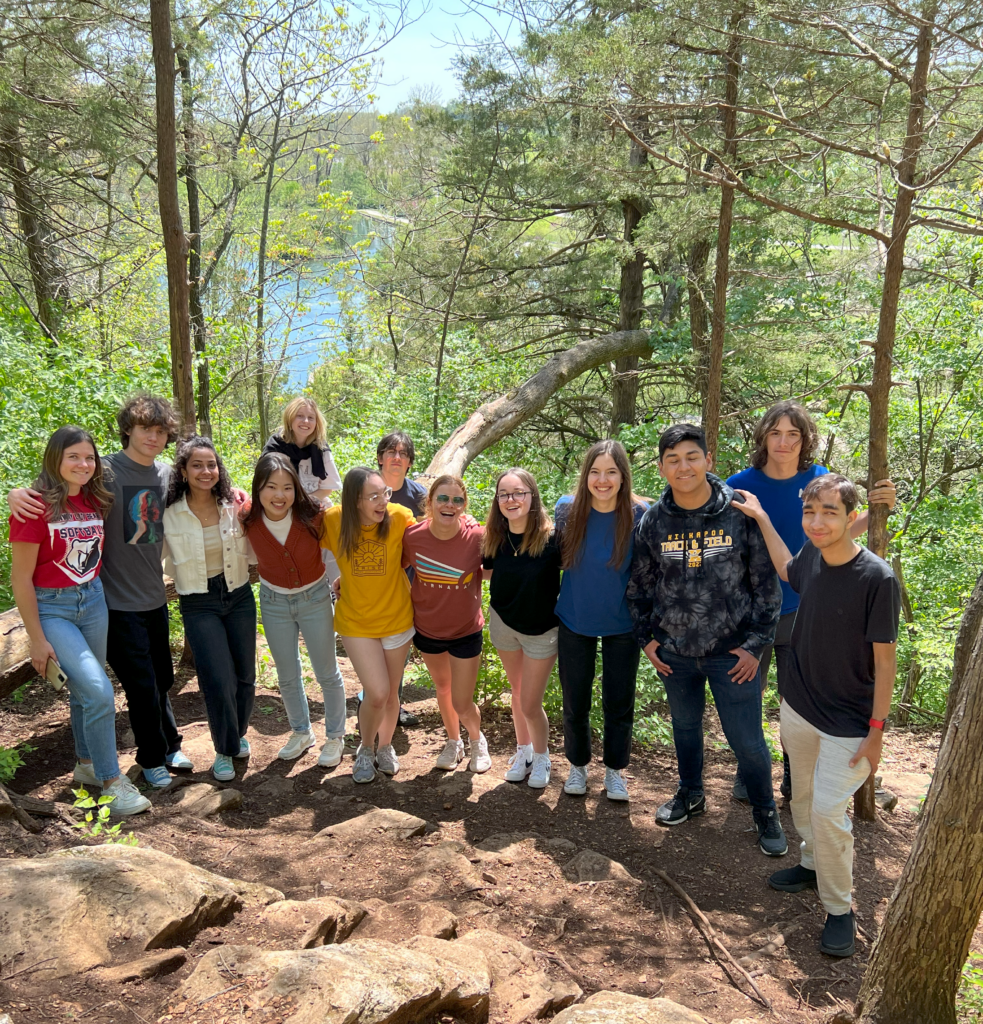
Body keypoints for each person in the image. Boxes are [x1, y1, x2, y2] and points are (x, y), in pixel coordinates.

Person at [732, 474, 900, 957]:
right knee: (802, 799)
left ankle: (840, 909)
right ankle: (810, 864)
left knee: (828, 812)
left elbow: (885, 662)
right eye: (811, 511)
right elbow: (787, 569)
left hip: (851, 721)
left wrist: (876, 731)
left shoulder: (877, 578)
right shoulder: (812, 558)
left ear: (852, 518)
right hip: (800, 706)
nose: (818, 521)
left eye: (830, 512)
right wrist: (764, 517)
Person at [8, 395, 193, 787]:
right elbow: (57, 484)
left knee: (160, 678)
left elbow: (205, 492)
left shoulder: (166, 475)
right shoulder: (102, 470)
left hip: (154, 594)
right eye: (145, 429)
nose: (153, 438)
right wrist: (15, 493)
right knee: (139, 683)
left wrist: (240, 497)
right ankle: (148, 759)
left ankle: (167, 744)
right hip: (109, 599)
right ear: (128, 429)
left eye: (161, 432)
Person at [627, 423, 787, 857]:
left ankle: (765, 811)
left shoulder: (740, 512)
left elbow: (767, 586)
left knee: (747, 741)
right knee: (684, 728)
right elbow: (639, 586)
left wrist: (755, 645)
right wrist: (647, 639)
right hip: (674, 653)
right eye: (673, 459)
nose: (684, 466)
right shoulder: (653, 522)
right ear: (661, 468)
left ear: (708, 460)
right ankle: (691, 794)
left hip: (732, 655)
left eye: (692, 456)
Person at [727, 400, 896, 801]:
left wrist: (878, 508)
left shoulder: (822, 481)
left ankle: (794, 775)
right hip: (749, 612)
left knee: (799, 699)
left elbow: (839, 530)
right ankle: (748, 772)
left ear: (805, 440)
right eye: (775, 433)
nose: (783, 443)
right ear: (763, 437)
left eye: (793, 434)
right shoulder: (740, 483)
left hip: (804, 609)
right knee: (745, 695)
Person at [9, 426, 150, 814]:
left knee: (84, 693)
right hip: (52, 608)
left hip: (93, 600)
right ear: (55, 458)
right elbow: (20, 578)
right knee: (100, 691)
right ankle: (110, 781)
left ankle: (86, 765)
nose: (83, 464)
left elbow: (151, 481)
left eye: (89, 457)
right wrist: (37, 640)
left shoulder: (94, 498)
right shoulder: (33, 507)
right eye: (74, 456)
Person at [555, 440, 648, 801]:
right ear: (586, 475)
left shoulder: (641, 513)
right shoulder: (568, 510)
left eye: (611, 472)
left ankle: (614, 771)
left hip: (623, 625)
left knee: (618, 701)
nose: (602, 479)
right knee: (575, 699)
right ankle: (577, 767)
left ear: (623, 476)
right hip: (574, 619)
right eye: (595, 472)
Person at [241, 453, 347, 768]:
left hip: (314, 597)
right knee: (287, 675)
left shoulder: (313, 514)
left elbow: (338, 544)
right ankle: (301, 732)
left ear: (297, 490)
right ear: (258, 488)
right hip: (274, 602)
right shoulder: (247, 517)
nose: (280, 495)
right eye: (271, 487)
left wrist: (339, 582)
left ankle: (335, 736)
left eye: (288, 487)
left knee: (327, 672)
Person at [163, 437, 256, 783]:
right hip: (199, 601)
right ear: (184, 472)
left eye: (212, 464)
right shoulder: (170, 514)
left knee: (245, 675)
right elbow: (142, 546)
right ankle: (224, 749)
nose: (206, 471)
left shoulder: (235, 505)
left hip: (239, 595)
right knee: (217, 678)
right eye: (197, 465)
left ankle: (237, 733)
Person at [321, 466, 416, 784]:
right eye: (373, 496)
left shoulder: (400, 516)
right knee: (376, 692)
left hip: (397, 619)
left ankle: (385, 746)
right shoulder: (334, 521)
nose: (382, 502)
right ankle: (364, 749)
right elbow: (296, 532)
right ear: (355, 501)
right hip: (356, 622)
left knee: (391, 695)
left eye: (385, 493)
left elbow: (432, 539)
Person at [401, 475, 491, 774]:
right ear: (429, 502)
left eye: (457, 500)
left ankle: (477, 741)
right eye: (442, 498)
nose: (449, 505)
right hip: (427, 629)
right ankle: (454, 742)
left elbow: (496, 567)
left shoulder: (477, 536)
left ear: (464, 506)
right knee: (443, 688)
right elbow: (388, 567)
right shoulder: (412, 537)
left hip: (466, 630)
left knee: (463, 701)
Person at [482, 469, 561, 789]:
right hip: (504, 624)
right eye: (504, 494)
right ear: (497, 500)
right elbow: (487, 574)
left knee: (530, 701)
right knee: (517, 694)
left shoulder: (553, 538)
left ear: (532, 497)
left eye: (519, 493)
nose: (511, 499)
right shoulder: (494, 537)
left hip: (542, 630)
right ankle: (523, 752)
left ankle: (542, 757)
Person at [263, 396, 342, 506]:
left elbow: (327, 488)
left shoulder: (321, 448)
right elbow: (263, 485)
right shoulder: (276, 446)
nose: (306, 421)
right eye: (299, 416)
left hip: (313, 505)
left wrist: (304, 503)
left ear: (316, 422)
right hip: (280, 505)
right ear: (290, 418)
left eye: (311, 418)